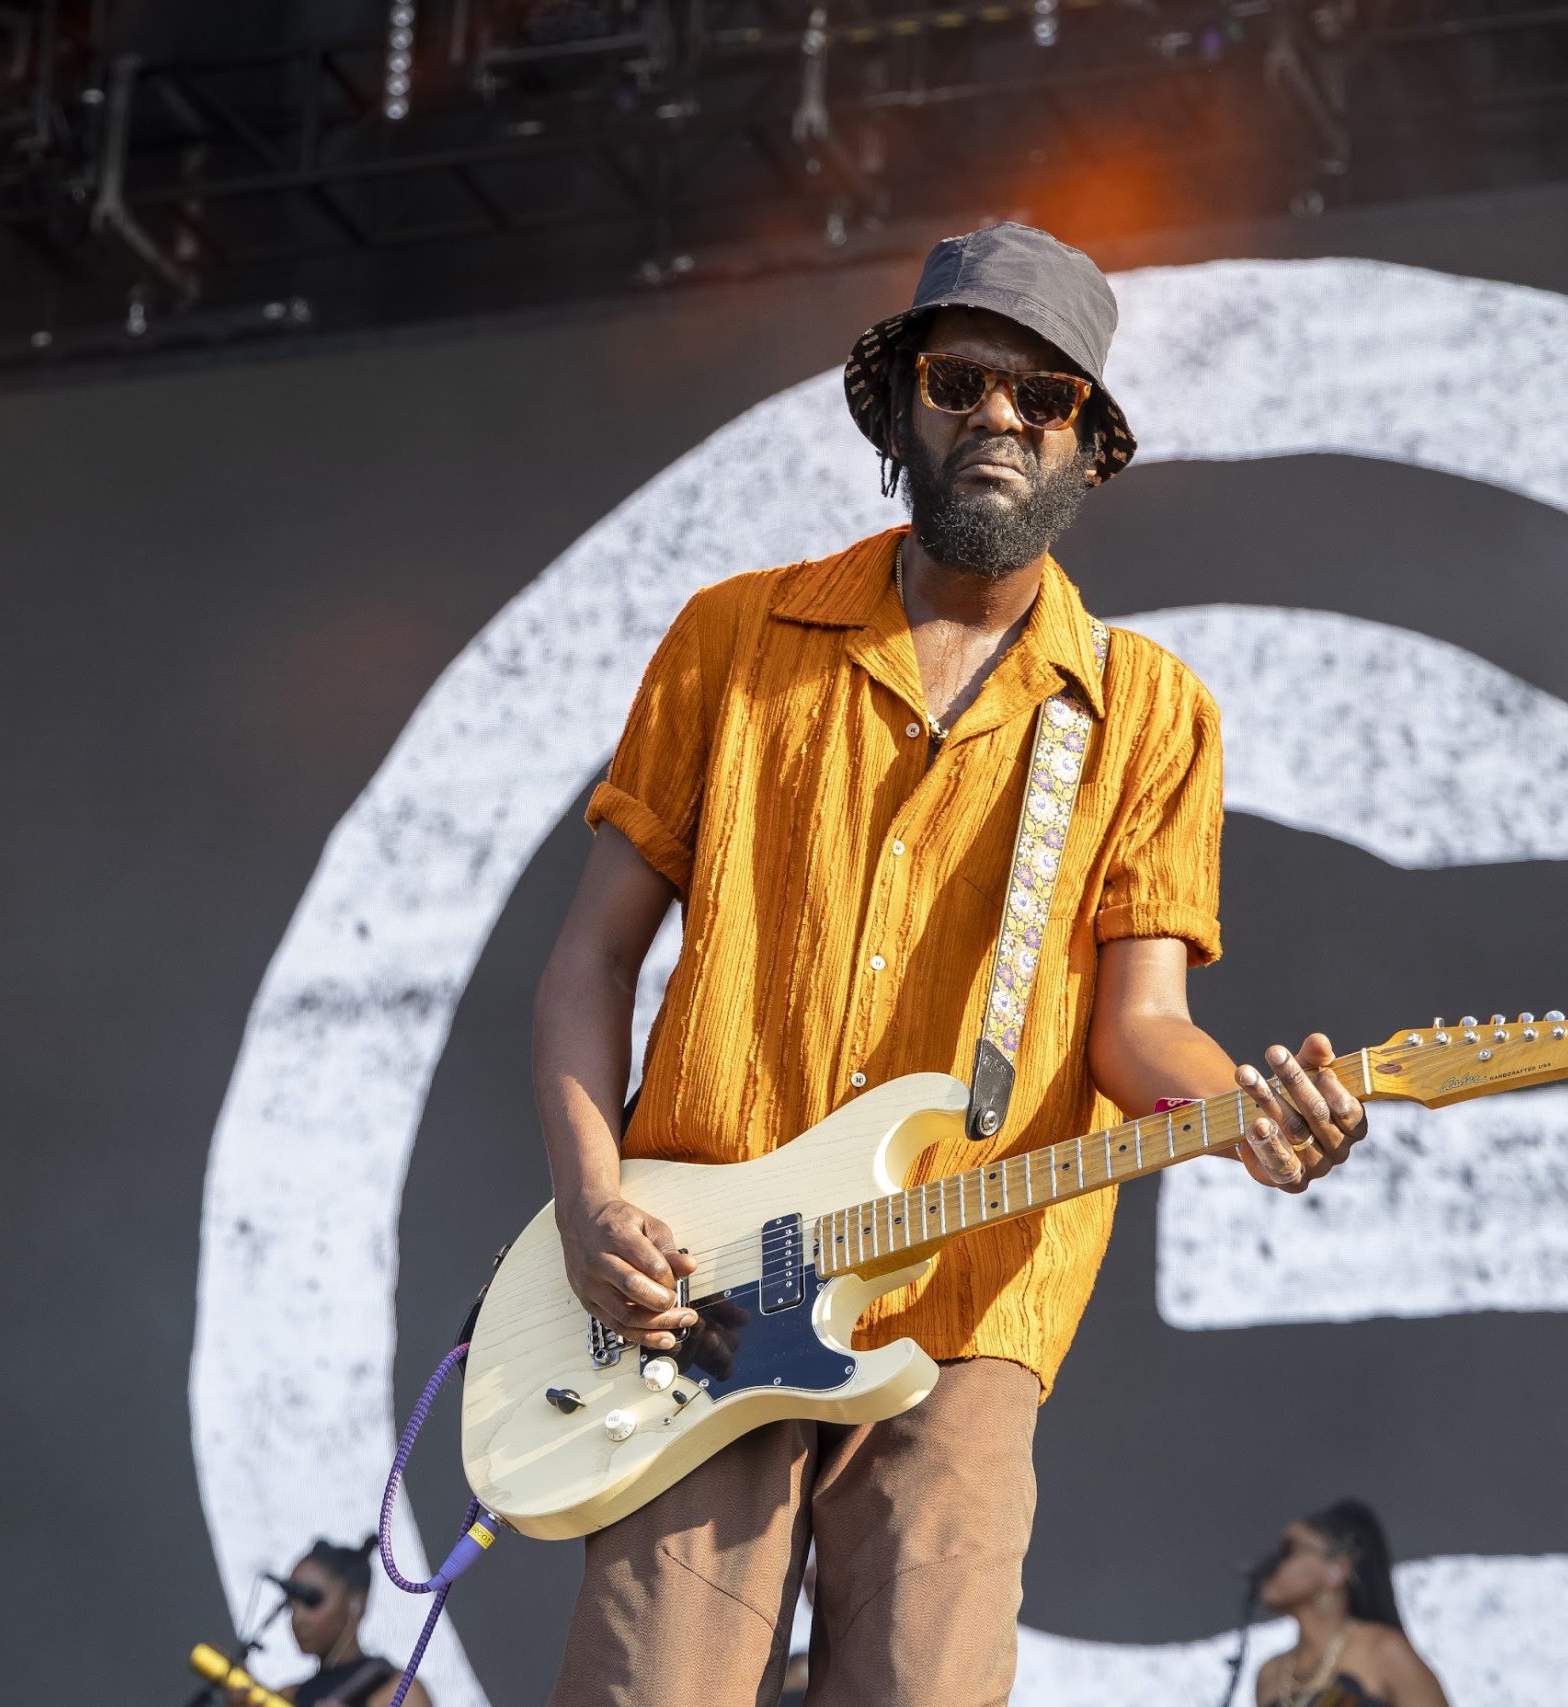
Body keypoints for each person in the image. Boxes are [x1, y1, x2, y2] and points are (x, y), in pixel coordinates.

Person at [531, 220, 1370, 1706]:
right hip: (706, 1281)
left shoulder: (1147, 712)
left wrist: (1250, 1104)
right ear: (899, 407)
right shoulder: (733, 640)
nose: (998, 416)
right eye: (963, 378)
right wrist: (593, 1197)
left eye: (1042, 398)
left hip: (972, 1305)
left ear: (1089, 448)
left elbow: (1140, 1028)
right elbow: (589, 959)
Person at [1253, 1500, 1448, 1707]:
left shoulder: (1384, 1652)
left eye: (1289, 1550)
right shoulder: (1270, 1675)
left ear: (1337, 1568)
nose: (1270, 1565)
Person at [281, 1536, 432, 1707]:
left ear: (356, 1604)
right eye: (291, 1604)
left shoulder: (399, 1690)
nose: (297, 1618)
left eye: (312, 1601)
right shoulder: (288, 1695)